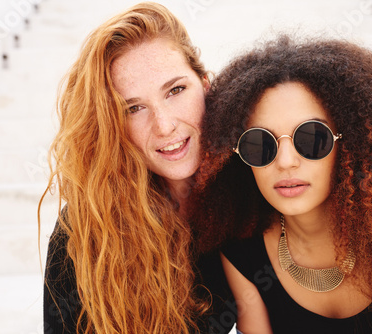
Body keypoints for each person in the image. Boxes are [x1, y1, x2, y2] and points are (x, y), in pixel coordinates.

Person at [191, 35, 372, 333]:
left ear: (351, 144)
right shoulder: (242, 255)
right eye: (260, 144)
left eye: (311, 139)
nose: (285, 161)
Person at [39, 2, 235, 333]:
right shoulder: (89, 227)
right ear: (113, 124)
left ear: (205, 84)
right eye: (134, 108)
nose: (164, 125)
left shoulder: (253, 188)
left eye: (175, 90)